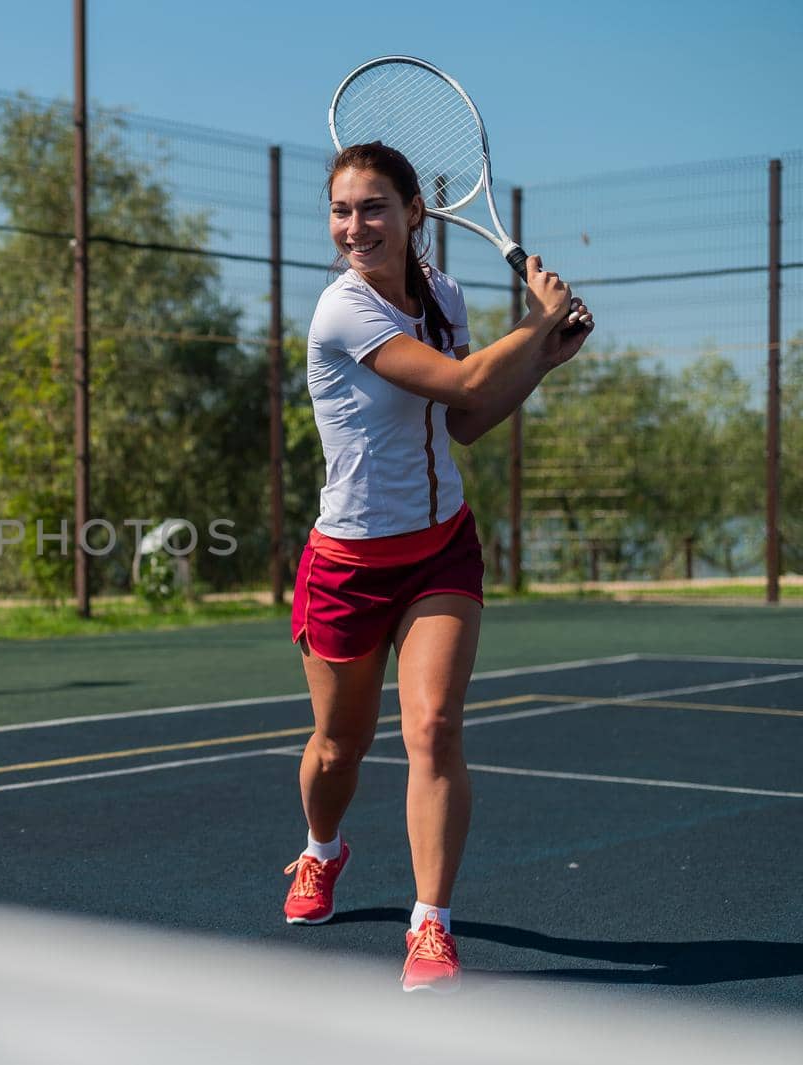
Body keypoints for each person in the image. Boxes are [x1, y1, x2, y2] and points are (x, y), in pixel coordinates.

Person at [280, 141, 592, 993]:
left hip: (440, 548)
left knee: (435, 729)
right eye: (342, 210)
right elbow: (456, 383)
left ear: (415, 212)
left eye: (373, 206)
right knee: (340, 747)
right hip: (347, 560)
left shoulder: (444, 296)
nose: (355, 226)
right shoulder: (341, 311)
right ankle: (320, 849)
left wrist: (539, 360)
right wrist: (533, 325)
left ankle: (430, 924)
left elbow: (466, 421)